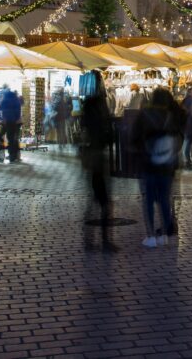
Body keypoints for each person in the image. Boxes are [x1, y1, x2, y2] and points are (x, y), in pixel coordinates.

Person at [133, 87, 185, 247]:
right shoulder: (171, 116)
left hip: (148, 164)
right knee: (164, 199)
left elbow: (134, 138)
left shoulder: (144, 115)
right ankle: (164, 235)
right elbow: (179, 140)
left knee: (148, 200)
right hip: (167, 165)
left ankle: (150, 237)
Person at [80, 70, 117, 252]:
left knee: (97, 200)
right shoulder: (99, 105)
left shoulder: (87, 104)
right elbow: (105, 132)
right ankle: (103, 241)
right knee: (103, 201)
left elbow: (84, 129)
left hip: (93, 155)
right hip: (97, 156)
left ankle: (91, 239)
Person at [0, 84, 23, 163]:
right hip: (12, 122)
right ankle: (12, 157)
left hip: (1, 121)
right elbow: (18, 109)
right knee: (12, 139)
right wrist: (16, 118)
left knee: (0, 138)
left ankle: (1, 155)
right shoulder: (15, 98)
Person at [180, 86, 192, 169]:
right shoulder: (191, 100)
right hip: (190, 125)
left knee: (188, 143)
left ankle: (188, 161)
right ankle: (187, 162)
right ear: (190, 93)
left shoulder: (185, 100)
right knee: (188, 144)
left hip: (185, 125)